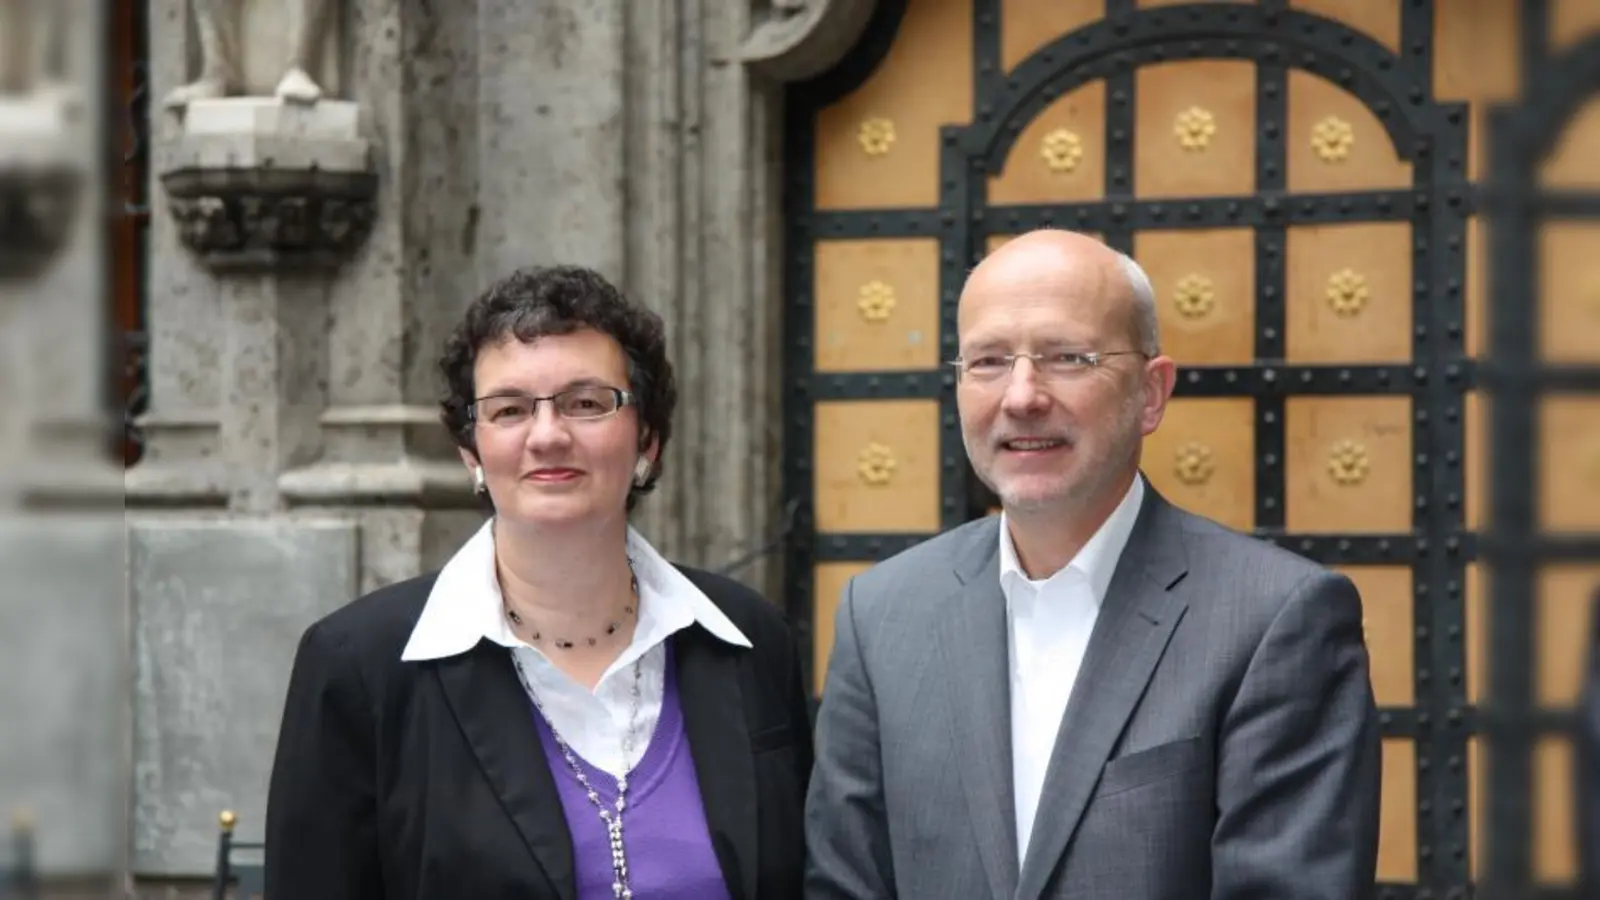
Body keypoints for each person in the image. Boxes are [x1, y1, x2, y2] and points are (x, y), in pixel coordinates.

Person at [803, 229, 1382, 900]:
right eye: (988, 361)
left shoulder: (1276, 619)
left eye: (1067, 357)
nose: (1021, 395)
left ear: (1151, 393)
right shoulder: (881, 615)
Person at [265, 265, 814, 900]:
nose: (548, 435)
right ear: (472, 452)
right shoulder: (360, 667)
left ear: (649, 440)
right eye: (510, 409)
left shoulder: (749, 640)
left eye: (587, 403)